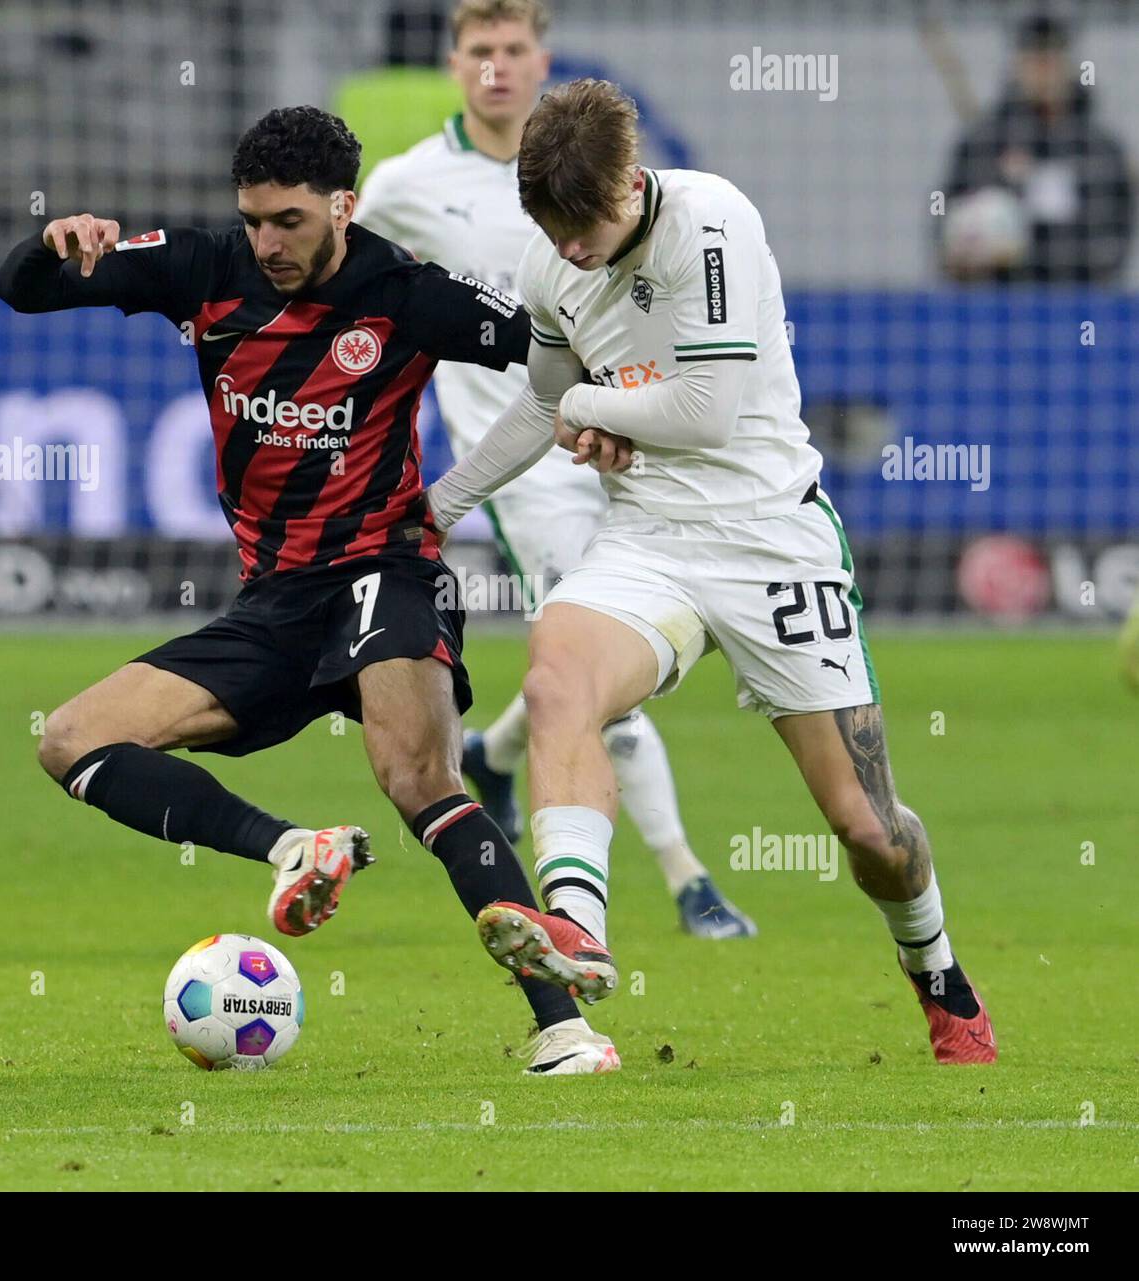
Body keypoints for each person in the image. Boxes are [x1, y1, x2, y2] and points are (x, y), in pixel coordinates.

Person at [0, 104, 618, 1075]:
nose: (267, 242)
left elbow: (556, 362)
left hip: (384, 568)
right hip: (275, 602)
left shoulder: (405, 293)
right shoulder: (202, 270)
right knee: (70, 739)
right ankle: (296, 846)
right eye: (253, 219)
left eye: (288, 220)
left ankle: (565, 1026)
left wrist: (589, 418)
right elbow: (22, 293)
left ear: (342, 204)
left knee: (417, 779)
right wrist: (52, 243)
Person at [426, 78, 998, 1064]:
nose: (568, 247)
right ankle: (574, 926)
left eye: (583, 223)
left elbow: (706, 413)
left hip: (773, 538)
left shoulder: (711, 220)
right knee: (557, 674)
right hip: (650, 536)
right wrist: (436, 508)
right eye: (548, 225)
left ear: (629, 182)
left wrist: (597, 411)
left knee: (867, 829)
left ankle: (939, 974)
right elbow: (542, 403)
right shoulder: (552, 259)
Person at [356, 0, 757, 939]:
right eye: (478, 50)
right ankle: (687, 876)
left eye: (513, 49)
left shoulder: (602, 182)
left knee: (616, 666)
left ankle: (495, 750)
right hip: (526, 462)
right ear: (453, 64)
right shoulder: (410, 185)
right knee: (593, 660)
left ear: (543, 60)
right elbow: (347, 281)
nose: (496, 66)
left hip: (632, 441)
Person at [941, 12, 1131, 282]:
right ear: (1018, 64)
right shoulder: (980, 145)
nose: (1043, 69)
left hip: (1078, 306)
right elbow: (943, 225)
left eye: (1051, 58)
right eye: (1034, 58)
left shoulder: (1101, 150)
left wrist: (1037, 253)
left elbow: (1115, 242)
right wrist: (970, 250)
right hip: (997, 307)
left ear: (1068, 64)